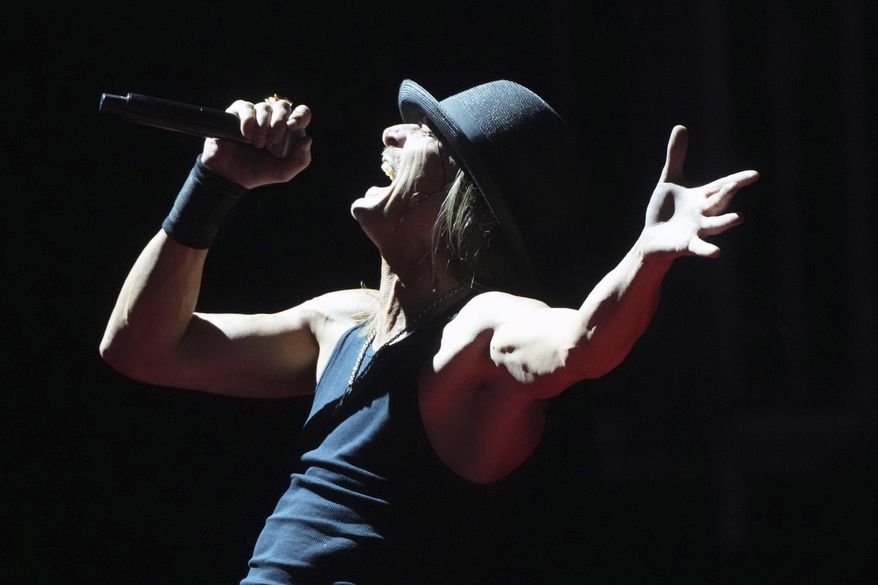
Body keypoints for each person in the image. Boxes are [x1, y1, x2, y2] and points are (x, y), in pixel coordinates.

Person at [100, 79, 758, 584]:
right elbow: (142, 346)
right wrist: (213, 182)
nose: (388, 133)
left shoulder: (474, 330)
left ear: (464, 197)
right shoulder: (343, 321)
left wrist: (647, 257)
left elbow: (581, 345)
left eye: (418, 134)